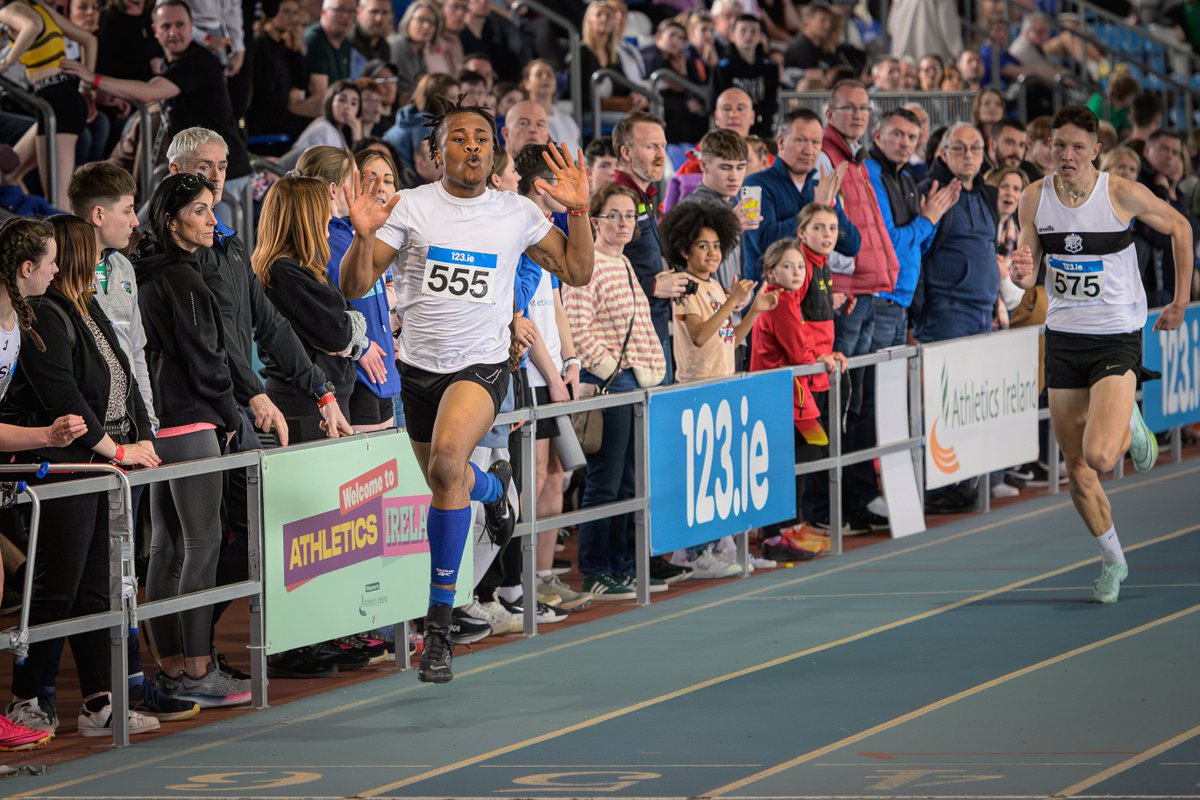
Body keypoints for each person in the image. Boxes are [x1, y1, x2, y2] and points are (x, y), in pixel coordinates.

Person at [337, 97, 595, 683]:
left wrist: (578, 211)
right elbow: (354, 284)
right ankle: (493, 488)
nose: (473, 146)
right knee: (441, 478)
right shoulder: (410, 208)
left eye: (483, 137)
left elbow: (577, 272)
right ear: (434, 153)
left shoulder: (515, 214)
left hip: (480, 365)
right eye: (459, 137)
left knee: (449, 463)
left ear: (495, 150)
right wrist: (363, 235)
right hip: (416, 369)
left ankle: (439, 625)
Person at [1010, 106, 1194, 603]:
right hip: (1065, 338)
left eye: (1076, 146)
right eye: (1058, 145)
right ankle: (1113, 561)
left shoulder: (1118, 193)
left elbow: (1180, 227)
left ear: (1095, 150)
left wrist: (1178, 302)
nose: (1066, 155)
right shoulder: (1033, 198)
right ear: (1047, 148)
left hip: (1116, 335)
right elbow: (1028, 274)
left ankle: (1130, 419)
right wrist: (1019, 272)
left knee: (1100, 455)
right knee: (1080, 471)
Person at [2, 218, 162, 741]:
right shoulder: (44, 314)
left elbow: (123, 376)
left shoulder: (83, 306)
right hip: (68, 465)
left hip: (97, 465)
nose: (99, 264)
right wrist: (114, 448)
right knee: (57, 583)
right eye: (88, 256)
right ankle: (29, 698)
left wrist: (136, 439)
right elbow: (64, 398)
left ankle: (99, 702)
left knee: (97, 586)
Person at [124, 179, 246, 708]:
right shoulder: (182, 279)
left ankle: (173, 667)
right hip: (192, 423)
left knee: (166, 545)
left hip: (158, 425)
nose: (212, 221)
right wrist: (232, 412)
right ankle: (198, 669)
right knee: (202, 544)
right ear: (171, 221)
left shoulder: (145, 277)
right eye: (200, 212)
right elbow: (207, 362)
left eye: (211, 211)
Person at [0, 219, 89, 752]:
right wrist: (47, 434)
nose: (58, 269)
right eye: (51, 261)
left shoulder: (18, 320)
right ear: (26, 269)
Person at [562, 183, 665, 600]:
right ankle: (595, 569)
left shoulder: (622, 264)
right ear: (595, 221)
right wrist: (609, 369)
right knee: (606, 481)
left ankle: (621, 565)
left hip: (635, 381)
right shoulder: (589, 266)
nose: (623, 223)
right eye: (613, 215)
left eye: (629, 215)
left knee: (628, 481)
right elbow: (576, 327)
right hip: (612, 385)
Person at [62, 0, 253, 211]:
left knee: (224, 243)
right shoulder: (169, 63)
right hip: (196, 175)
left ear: (191, 27)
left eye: (180, 25)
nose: (173, 32)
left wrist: (93, 79)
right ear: (156, 31)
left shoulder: (200, 61)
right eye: (166, 26)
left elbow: (150, 91)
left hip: (224, 176)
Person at [749, 222, 847, 562]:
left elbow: (803, 344)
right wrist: (818, 358)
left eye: (800, 266)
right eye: (787, 266)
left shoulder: (789, 298)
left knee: (809, 452)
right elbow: (797, 351)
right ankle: (775, 532)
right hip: (780, 396)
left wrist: (823, 355)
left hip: (793, 394)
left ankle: (792, 524)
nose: (795, 271)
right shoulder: (776, 300)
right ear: (771, 269)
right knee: (793, 457)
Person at [252, 172, 367, 443]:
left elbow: (349, 321)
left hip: (328, 398)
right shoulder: (285, 272)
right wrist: (350, 331)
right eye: (323, 210)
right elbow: (338, 333)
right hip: (304, 403)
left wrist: (350, 330)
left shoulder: (309, 267)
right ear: (306, 217)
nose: (330, 215)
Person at [742, 108, 860, 283]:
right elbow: (764, 243)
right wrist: (814, 212)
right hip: (768, 302)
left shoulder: (818, 188)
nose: (809, 150)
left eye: (815, 142)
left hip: (812, 300)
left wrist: (829, 203)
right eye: (800, 140)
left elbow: (851, 245)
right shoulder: (752, 185)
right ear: (781, 142)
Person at [0, 0, 95, 204]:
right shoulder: (41, 9)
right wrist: (86, 90)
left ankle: (65, 234)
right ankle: (31, 223)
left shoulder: (8, 10)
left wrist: (5, 63)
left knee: (58, 200)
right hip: (61, 100)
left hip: (57, 103)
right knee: (7, 173)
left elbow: (31, 27)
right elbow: (88, 40)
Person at [708, 15, 778, 139]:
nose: (748, 36)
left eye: (753, 31)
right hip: (728, 132)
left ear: (760, 37)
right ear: (732, 35)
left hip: (762, 133)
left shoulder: (770, 68)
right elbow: (714, 102)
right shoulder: (722, 68)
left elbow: (771, 102)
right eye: (743, 30)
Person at [284, 79, 362, 161]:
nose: (347, 106)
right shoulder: (324, 129)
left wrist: (357, 139)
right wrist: (357, 141)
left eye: (353, 103)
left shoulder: (335, 129)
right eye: (342, 100)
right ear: (330, 101)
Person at [520, 59, 581, 156]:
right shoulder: (520, 117)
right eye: (539, 75)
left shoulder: (566, 117)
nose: (545, 77)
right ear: (526, 84)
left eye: (549, 74)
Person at [389, 1, 438, 102]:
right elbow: (405, 91)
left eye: (432, 22)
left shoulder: (420, 52)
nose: (427, 26)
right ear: (408, 20)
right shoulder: (398, 45)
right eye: (421, 19)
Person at [349, 0, 390, 65]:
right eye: (373, 12)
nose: (379, 18)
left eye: (385, 13)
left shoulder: (384, 47)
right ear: (358, 13)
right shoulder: (347, 43)